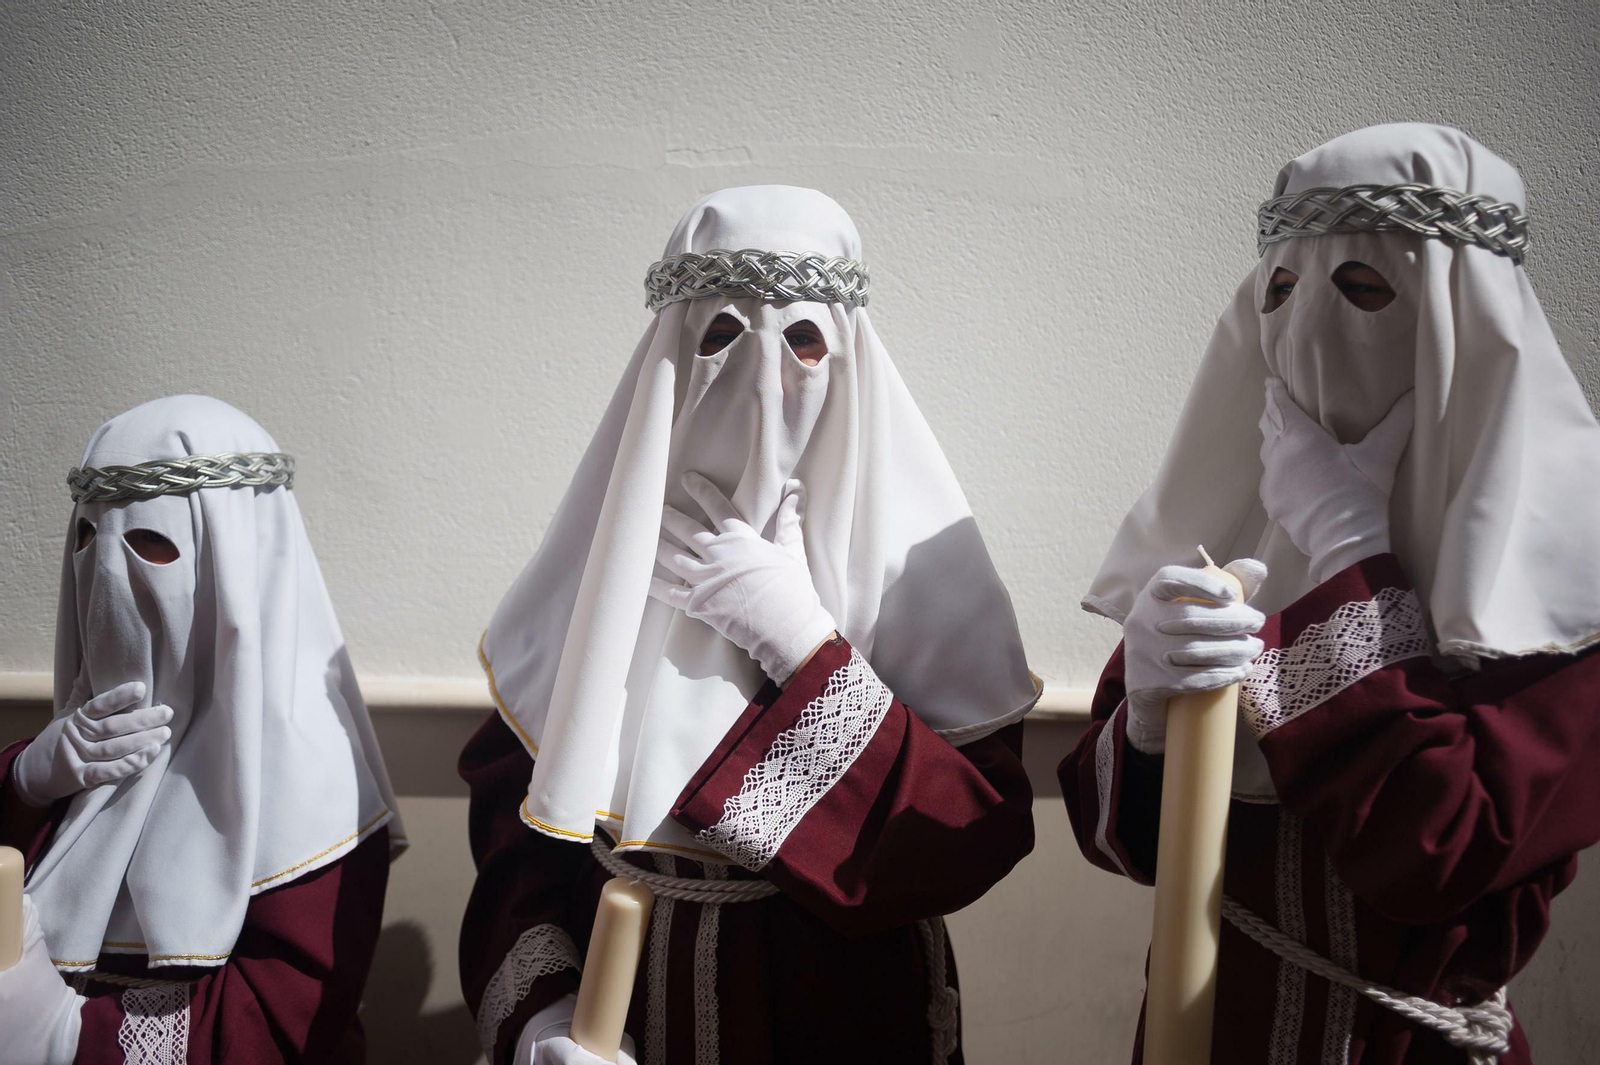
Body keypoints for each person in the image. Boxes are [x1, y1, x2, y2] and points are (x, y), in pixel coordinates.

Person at [461, 185, 1038, 1065]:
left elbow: (967, 840)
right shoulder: (593, 564)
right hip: (632, 1022)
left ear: (850, 356)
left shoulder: (923, 567)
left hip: (846, 1009)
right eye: (723, 336)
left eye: (804, 340)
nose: (766, 383)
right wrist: (543, 1014)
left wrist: (803, 645)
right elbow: (517, 850)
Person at [1061, 123, 1600, 1064]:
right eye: (1279, 291)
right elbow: (1121, 847)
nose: (1306, 329)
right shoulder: (1231, 531)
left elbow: (1439, 849)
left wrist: (1351, 543)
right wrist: (1143, 719)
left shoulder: (1567, 586)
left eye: (1362, 290)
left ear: (1459, 323)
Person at [0, 395, 406, 1065]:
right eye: (86, 538)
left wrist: (69, 1037)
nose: (107, 580)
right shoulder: (79, 746)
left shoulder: (317, 785)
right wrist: (24, 781)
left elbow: (280, 1021)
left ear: (238, 563)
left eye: (150, 544)